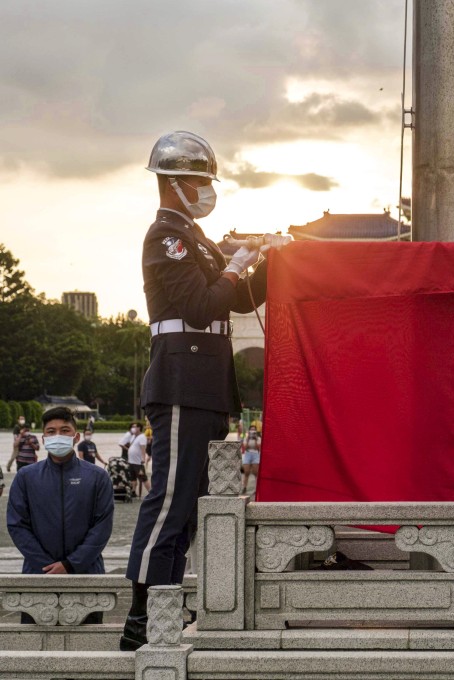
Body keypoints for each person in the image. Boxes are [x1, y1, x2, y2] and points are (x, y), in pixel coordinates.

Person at [120, 131, 292, 651]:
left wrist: (271, 262)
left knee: (191, 508)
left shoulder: (193, 237)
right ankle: (141, 612)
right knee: (169, 501)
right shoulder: (167, 237)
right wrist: (239, 259)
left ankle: (166, 603)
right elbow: (200, 306)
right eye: (197, 181)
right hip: (181, 381)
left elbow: (235, 301)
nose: (205, 190)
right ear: (172, 185)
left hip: (207, 385)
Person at [6, 407, 114, 624]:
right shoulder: (26, 477)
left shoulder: (97, 477)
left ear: (76, 437)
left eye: (65, 430)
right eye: (51, 431)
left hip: (86, 574)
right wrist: (48, 566)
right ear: (44, 438)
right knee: (34, 647)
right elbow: (17, 525)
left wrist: (71, 564)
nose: (58, 436)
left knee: (89, 647)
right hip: (38, 575)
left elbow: (102, 527)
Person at [120, 422, 150, 498]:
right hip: (131, 461)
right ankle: (133, 491)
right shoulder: (133, 436)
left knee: (143, 477)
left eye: (135, 427)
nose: (133, 428)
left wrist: (143, 458)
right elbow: (127, 444)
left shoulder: (142, 437)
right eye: (132, 427)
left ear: (139, 428)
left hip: (138, 461)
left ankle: (150, 491)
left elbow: (143, 448)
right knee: (133, 477)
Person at [241, 425, 261, 495]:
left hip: (255, 454)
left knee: (256, 472)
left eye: (254, 430)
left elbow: (258, 448)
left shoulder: (258, 438)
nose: (252, 431)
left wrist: (255, 439)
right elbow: (245, 447)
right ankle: (244, 487)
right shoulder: (246, 438)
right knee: (246, 472)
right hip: (248, 454)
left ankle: (257, 489)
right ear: (249, 431)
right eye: (251, 430)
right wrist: (248, 439)